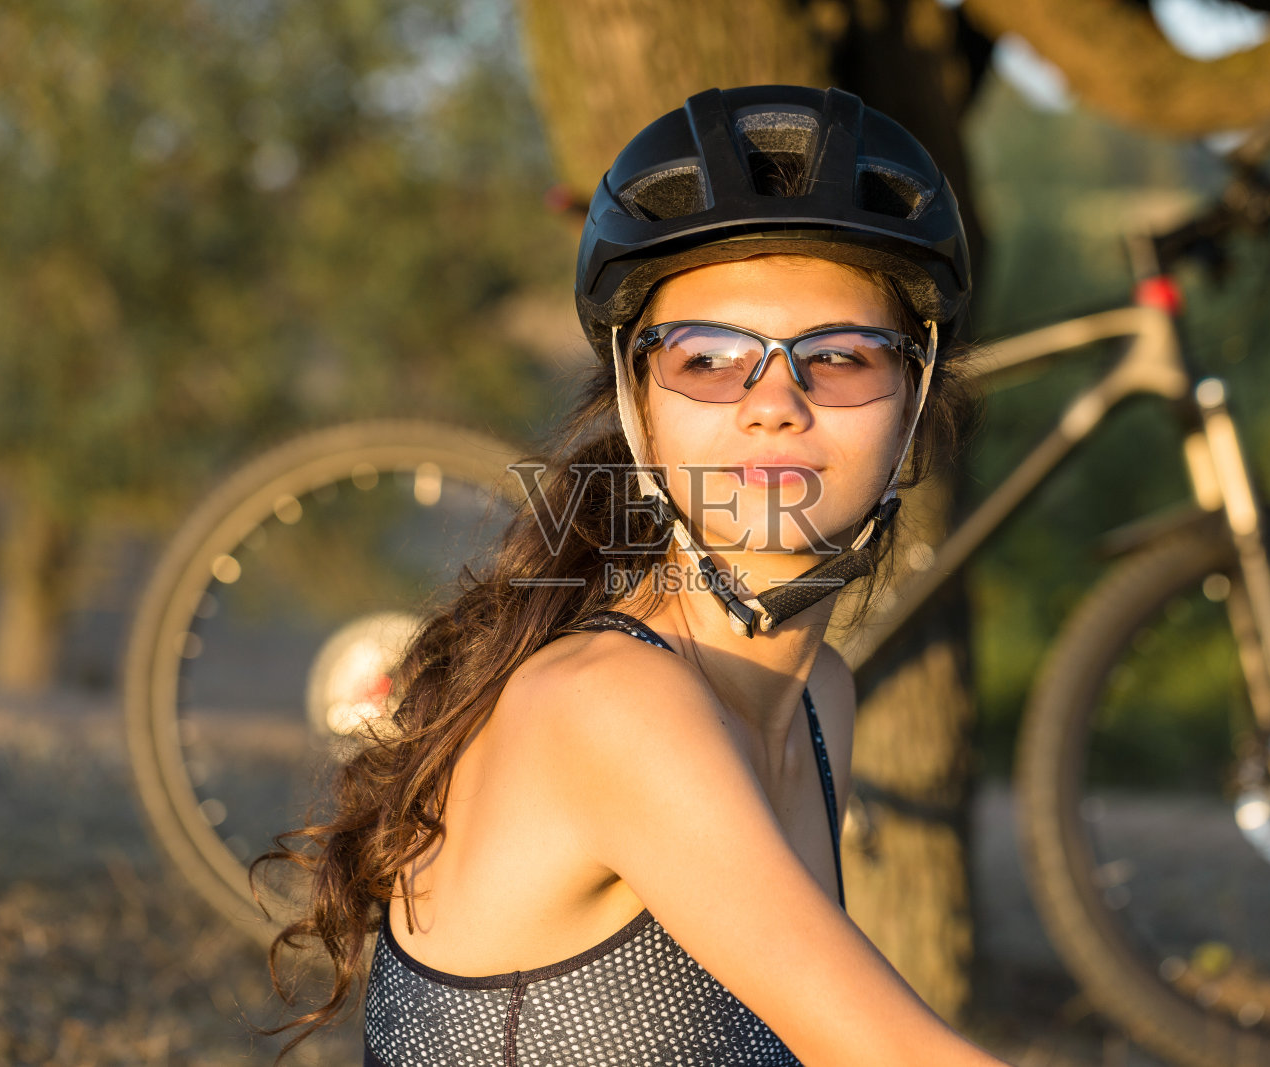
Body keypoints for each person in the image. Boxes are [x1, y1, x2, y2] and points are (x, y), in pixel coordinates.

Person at [261, 85, 1006, 1066]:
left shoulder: (817, 693)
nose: (774, 401)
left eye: (840, 357)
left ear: (913, 400)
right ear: (637, 401)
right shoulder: (610, 704)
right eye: (707, 359)